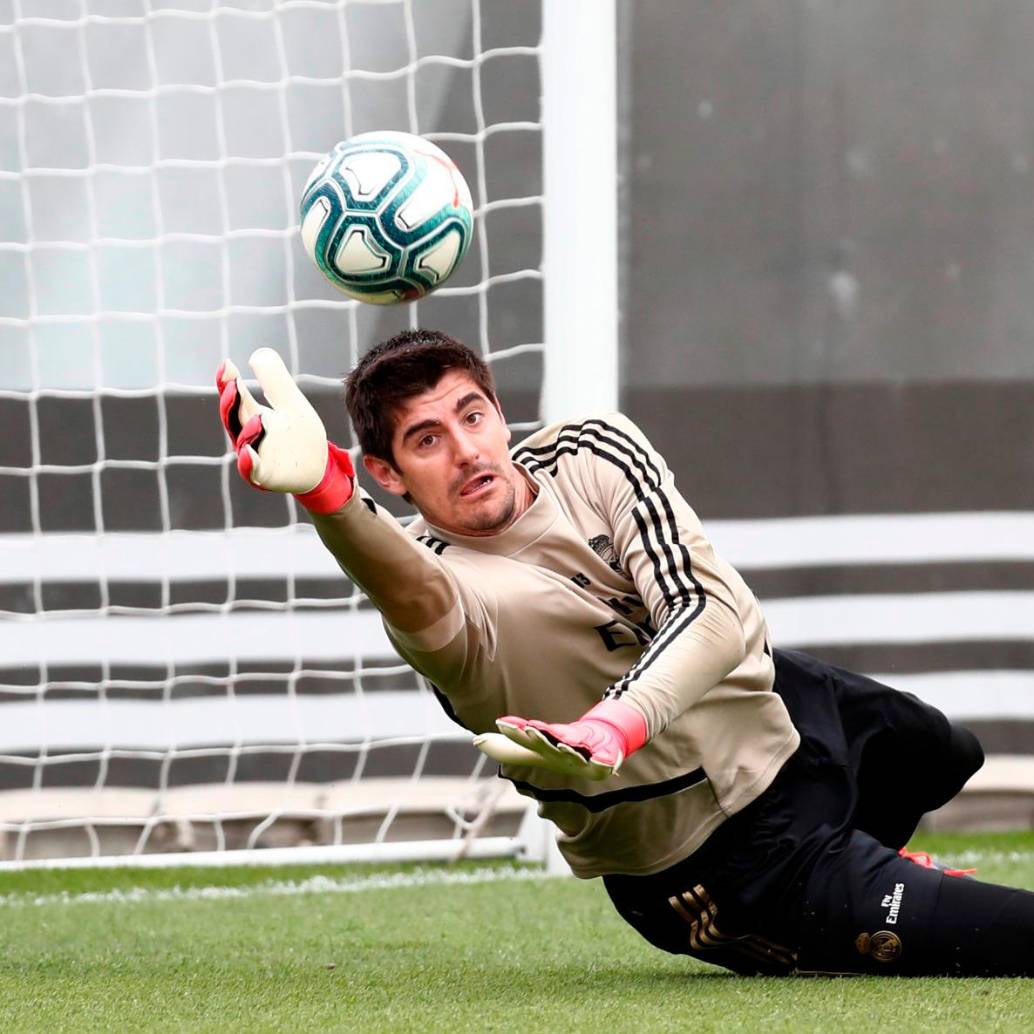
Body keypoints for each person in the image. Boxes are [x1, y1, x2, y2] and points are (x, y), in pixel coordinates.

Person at [216, 329, 1034, 976]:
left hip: (782, 717)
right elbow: (406, 589)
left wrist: (615, 723)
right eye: (426, 440)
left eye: (472, 416)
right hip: (724, 866)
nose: (465, 450)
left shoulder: (590, 452)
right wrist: (328, 499)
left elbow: (716, 612)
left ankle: (877, 870)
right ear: (387, 475)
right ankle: (853, 905)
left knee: (943, 750)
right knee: (1015, 932)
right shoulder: (440, 594)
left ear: (499, 412)